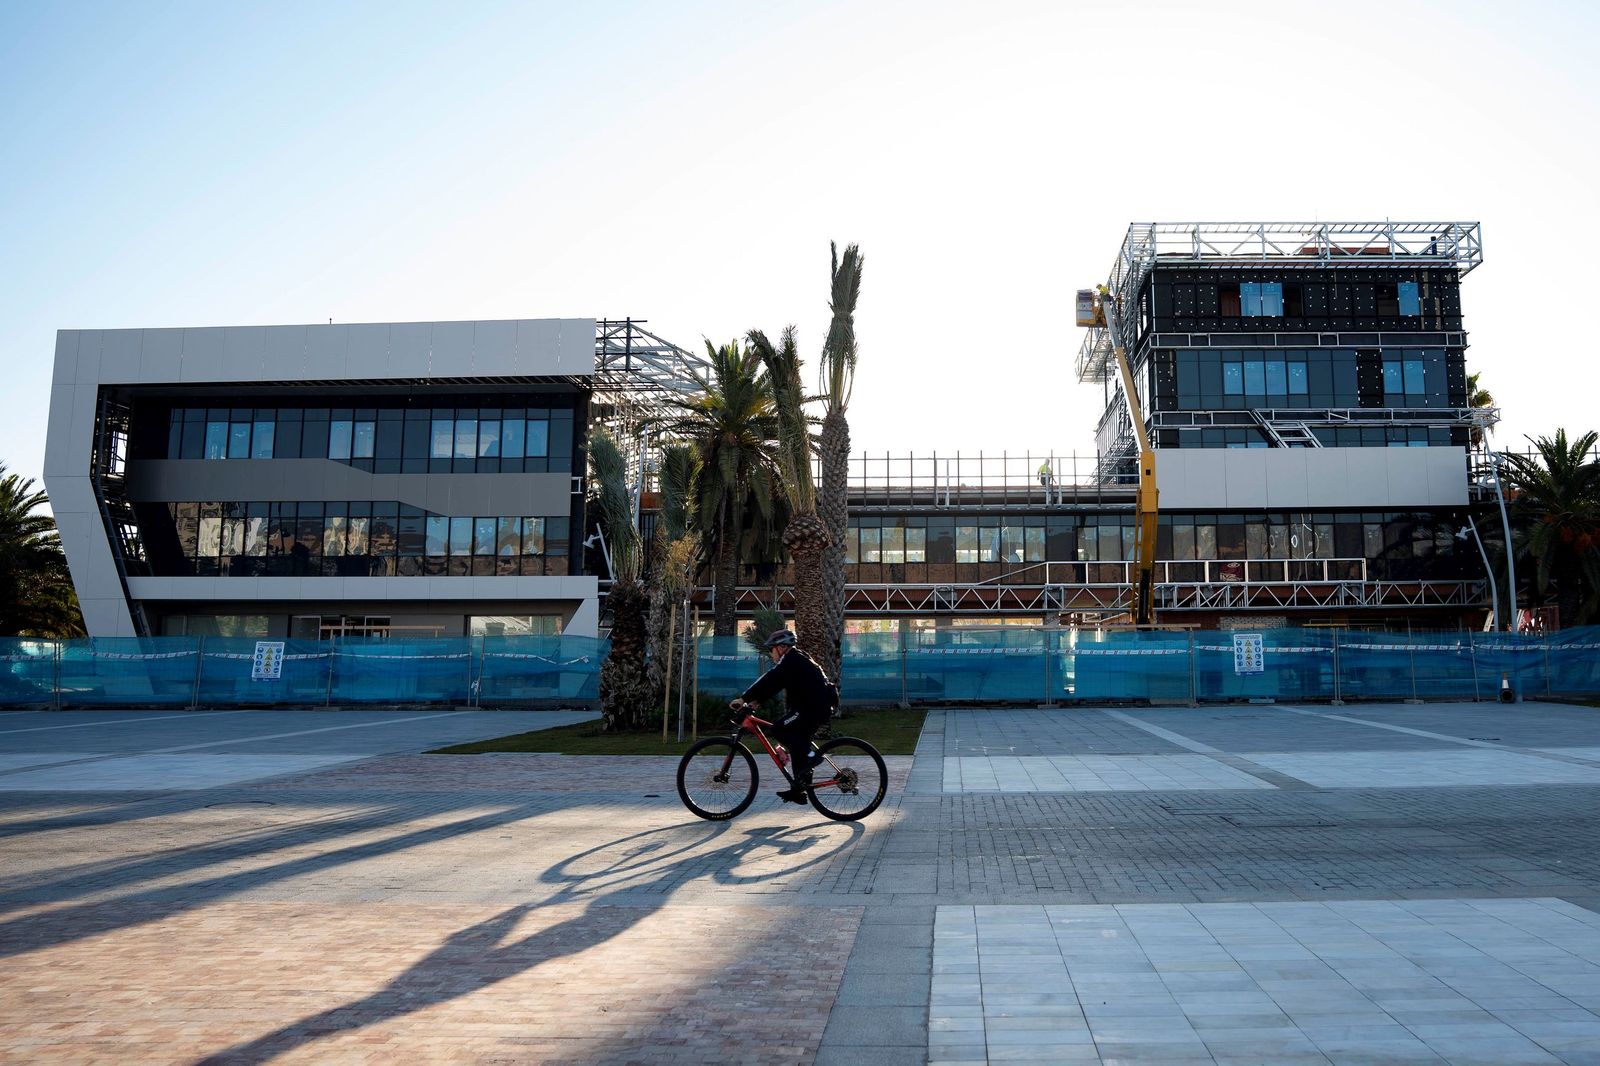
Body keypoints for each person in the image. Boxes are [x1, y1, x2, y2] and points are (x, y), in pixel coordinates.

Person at [730, 629, 837, 804]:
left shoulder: (791, 660)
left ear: (781, 647)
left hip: (812, 707)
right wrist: (757, 700)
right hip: (812, 706)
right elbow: (776, 684)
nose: (770, 653)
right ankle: (799, 789)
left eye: (771, 649)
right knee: (797, 744)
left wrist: (744, 698)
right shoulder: (793, 660)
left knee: (778, 729)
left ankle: (812, 757)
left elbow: (770, 679)